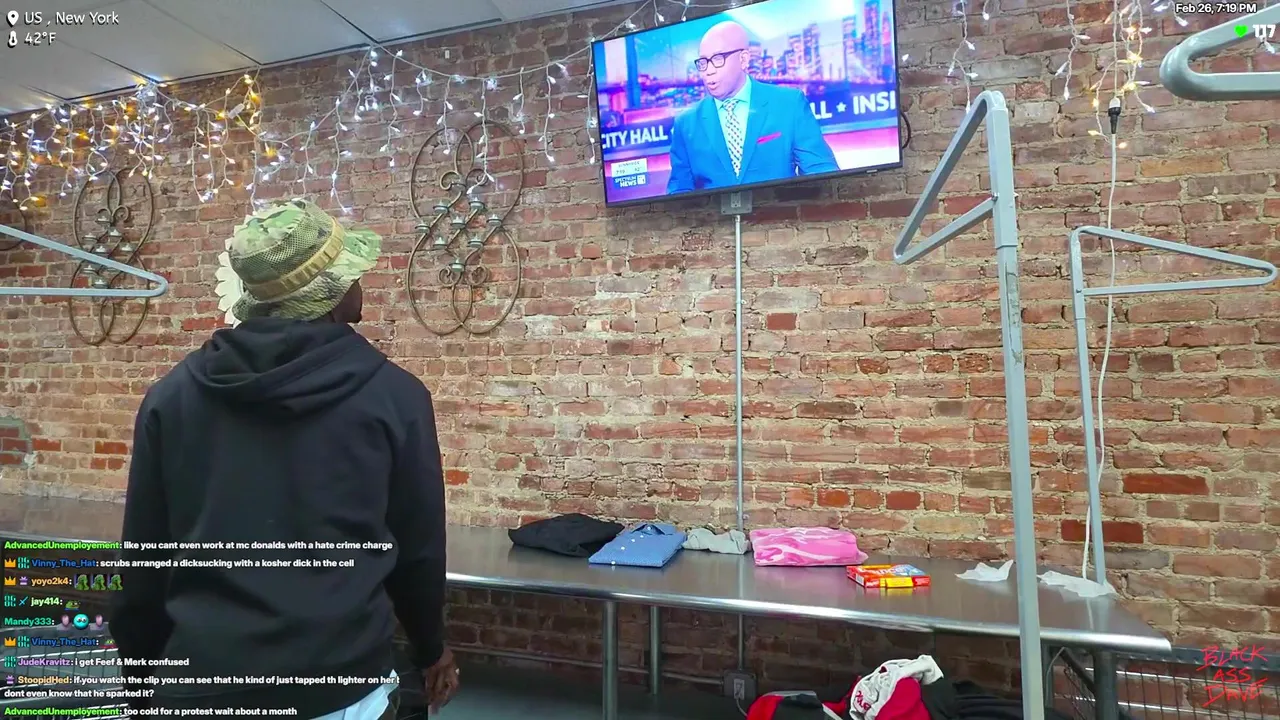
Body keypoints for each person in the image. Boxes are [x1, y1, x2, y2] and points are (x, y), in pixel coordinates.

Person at [110, 198, 458, 719]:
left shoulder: (171, 397)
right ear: (333, 292)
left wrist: (140, 682)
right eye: (353, 272)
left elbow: (144, 557)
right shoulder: (395, 396)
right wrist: (431, 648)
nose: (360, 283)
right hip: (341, 685)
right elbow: (417, 550)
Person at [666, 20, 840, 194]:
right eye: (703, 62)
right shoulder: (686, 124)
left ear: (743, 59)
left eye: (718, 59)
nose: (708, 71)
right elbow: (679, 194)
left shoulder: (789, 104)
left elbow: (824, 176)